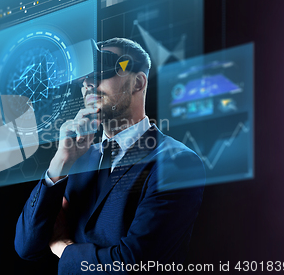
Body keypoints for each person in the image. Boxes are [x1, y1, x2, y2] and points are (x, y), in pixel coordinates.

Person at [14, 38, 205, 274]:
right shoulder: (77, 161)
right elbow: (28, 247)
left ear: (138, 82)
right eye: (85, 75)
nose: (88, 82)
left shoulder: (176, 163)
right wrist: (59, 164)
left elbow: (134, 264)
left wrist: (65, 250)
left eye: (103, 70)